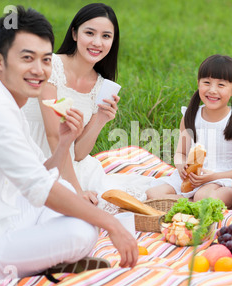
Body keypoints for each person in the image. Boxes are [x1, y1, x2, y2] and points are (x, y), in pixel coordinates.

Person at [0, 6, 137, 282]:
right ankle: (41, 262)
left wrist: (64, 142)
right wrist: (111, 225)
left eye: (45, 60)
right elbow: (39, 187)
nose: (39, 70)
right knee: (82, 230)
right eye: (27, 58)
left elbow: (45, 171)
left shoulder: (6, 103)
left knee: (67, 190)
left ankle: (46, 256)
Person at [22, 3, 154, 209]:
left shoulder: (100, 85)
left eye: (106, 36)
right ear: (74, 33)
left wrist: (101, 118)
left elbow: (79, 153)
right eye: (89, 33)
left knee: (136, 196)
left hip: (69, 163)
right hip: (33, 156)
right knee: (83, 206)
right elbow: (54, 135)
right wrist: (76, 191)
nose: (97, 42)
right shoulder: (50, 67)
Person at [146, 55, 232, 208]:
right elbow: (180, 153)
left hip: (221, 178)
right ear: (198, 84)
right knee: (153, 194)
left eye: (221, 85)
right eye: (207, 83)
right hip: (191, 176)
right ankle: (192, 204)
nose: (212, 90)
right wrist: (181, 166)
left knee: (203, 196)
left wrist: (212, 177)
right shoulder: (190, 115)